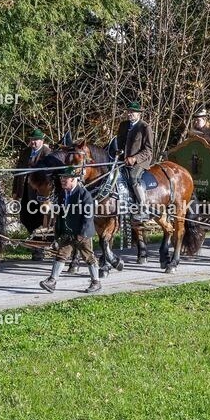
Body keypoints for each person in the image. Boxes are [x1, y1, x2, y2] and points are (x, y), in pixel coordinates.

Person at [39, 166, 100, 294]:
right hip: (67, 232)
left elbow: (88, 216)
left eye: (65, 178)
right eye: (62, 178)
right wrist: (51, 211)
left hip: (81, 234)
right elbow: (61, 212)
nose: (62, 180)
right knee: (61, 255)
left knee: (88, 257)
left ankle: (96, 282)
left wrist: (82, 234)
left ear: (74, 179)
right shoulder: (63, 194)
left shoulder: (84, 195)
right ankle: (52, 281)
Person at [13, 129, 52, 261]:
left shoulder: (47, 153)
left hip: (39, 192)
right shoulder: (25, 152)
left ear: (42, 141)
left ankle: (39, 249)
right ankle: (34, 242)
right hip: (25, 190)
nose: (33, 142)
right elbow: (17, 172)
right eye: (31, 140)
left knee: (39, 219)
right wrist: (15, 191)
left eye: (36, 140)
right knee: (25, 217)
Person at [115, 101, 154, 221]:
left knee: (133, 176)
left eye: (132, 112)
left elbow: (148, 150)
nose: (129, 114)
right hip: (123, 159)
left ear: (139, 114)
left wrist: (135, 158)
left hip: (141, 160)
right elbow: (119, 143)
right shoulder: (123, 125)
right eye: (128, 111)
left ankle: (143, 209)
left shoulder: (145, 127)